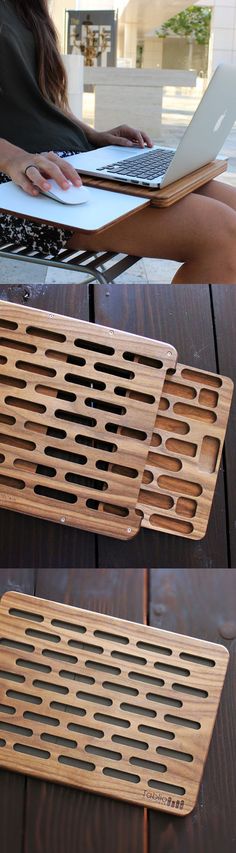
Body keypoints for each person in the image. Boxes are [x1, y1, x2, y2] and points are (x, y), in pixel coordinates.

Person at [0, 0, 236, 283]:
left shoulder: (29, 7)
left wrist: (93, 135)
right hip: (21, 182)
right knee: (219, 232)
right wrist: (12, 158)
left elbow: (42, 103)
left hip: (69, 161)